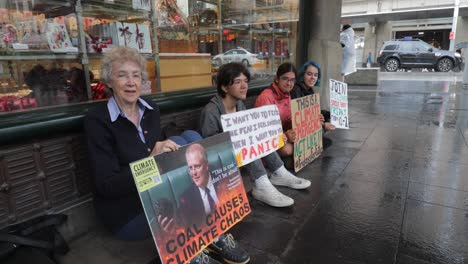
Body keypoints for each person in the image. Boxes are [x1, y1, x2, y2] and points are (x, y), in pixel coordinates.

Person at [84, 47, 220, 264]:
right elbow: (106, 186)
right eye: (122, 75)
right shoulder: (97, 121)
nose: (131, 82)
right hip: (127, 212)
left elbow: (158, 165)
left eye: (136, 75)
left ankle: (211, 234)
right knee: (190, 199)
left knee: (189, 142)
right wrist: (150, 161)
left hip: (157, 193)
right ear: (109, 81)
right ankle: (193, 247)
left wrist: (164, 155)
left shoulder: (151, 110)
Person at [199, 62, 311, 209]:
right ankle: (261, 184)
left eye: (245, 81)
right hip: (222, 163)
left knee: (258, 137)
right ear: (224, 87)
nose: (244, 86)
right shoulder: (211, 111)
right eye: (238, 82)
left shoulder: (239, 105)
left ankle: (279, 172)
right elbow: (210, 148)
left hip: (241, 157)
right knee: (248, 141)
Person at [255, 62, 298, 157]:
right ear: (277, 79)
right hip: (268, 141)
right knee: (288, 150)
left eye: (292, 80)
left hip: (284, 136)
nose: (289, 83)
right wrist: (286, 135)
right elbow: (265, 130)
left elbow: (290, 119)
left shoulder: (287, 94)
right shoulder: (266, 97)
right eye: (285, 79)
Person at [291, 61, 336, 149]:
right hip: (297, 129)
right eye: (309, 74)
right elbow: (300, 118)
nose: (313, 78)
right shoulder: (296, 90)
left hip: (306, 128)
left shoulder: (309, 90)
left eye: (315, 75)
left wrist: (332, 114)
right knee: (324, 136)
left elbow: (312, 111)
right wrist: (322, 125)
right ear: (303, 75)